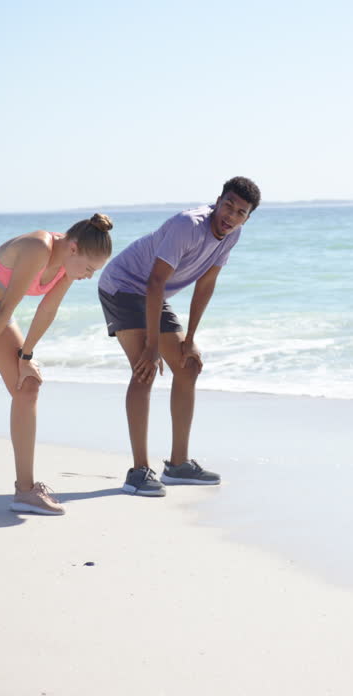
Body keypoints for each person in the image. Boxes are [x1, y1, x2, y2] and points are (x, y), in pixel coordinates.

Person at [0, 214, 113, 529]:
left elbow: (47, 310)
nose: (89, 277)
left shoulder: (67, 268)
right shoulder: (38, 247)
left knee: (28, 384)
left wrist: (26, 356)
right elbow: (6, 311)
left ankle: (25, 491)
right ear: (73, 248)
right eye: (89, 269)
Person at [98, 176, 261, 496]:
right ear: (218, 200)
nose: (231, 216)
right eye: (228, 206)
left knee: (188, 365)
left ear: (247, 218)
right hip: (123, 286)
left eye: (241, 212)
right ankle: (139, 471)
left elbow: (206, 284)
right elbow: (155, 282)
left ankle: (178, 463)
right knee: (144, 371)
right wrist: (151, 347)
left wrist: (190, 339)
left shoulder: (232, 235)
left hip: (153, 294)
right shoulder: (188, 225)